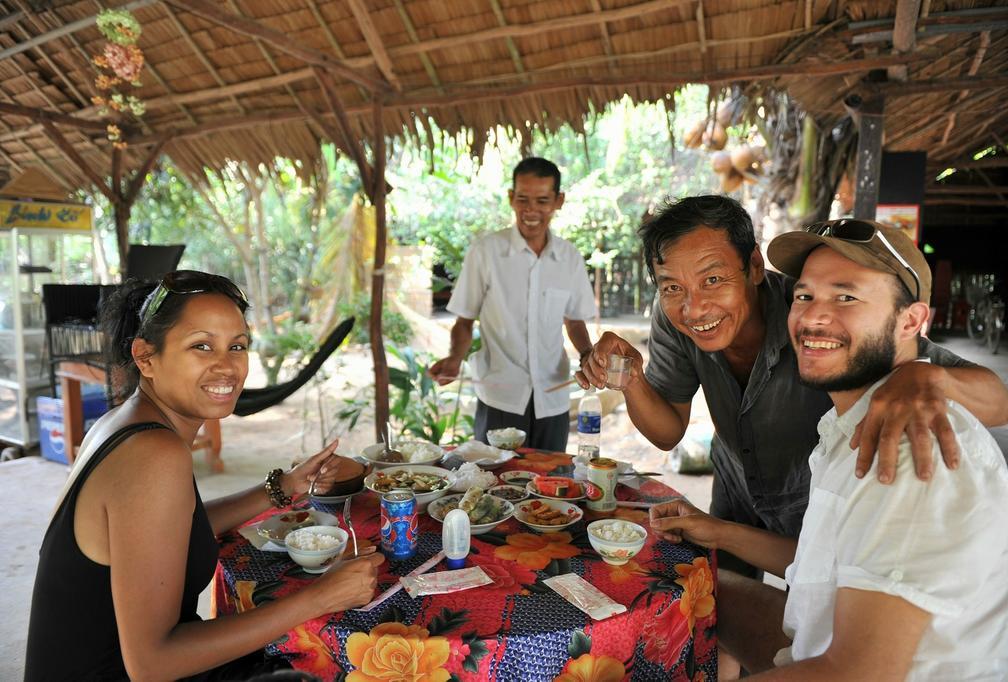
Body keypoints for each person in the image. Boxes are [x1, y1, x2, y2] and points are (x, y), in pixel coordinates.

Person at [649, 221, 1008, 679]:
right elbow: (822, 565)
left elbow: (852, 674)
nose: (813, 318)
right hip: (818, 640)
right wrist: (716, 531)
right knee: (692, 587)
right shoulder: (844, 427)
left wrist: (933, 376)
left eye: (846, 297)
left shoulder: (911, 446)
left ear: (910, 322)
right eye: (804, 296)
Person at [577, 196, 1008, 562]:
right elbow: (668, 430)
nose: (694, 308)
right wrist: (632, 379)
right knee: (723, 598)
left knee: (816, 610)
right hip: (737, 486)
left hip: (819, 497)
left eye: (713, 279)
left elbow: (999, 401)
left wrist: (925, 377)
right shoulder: (673, 317)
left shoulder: (815, 321)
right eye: (672, 287)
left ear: (753, 267)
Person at [25, 271, 384, 681]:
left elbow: (167, 532)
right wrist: (321, 596)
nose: (227, 366)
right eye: (201, 346)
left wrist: (282, 488)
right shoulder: (152, 455)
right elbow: (153, 664)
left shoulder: (122, 423)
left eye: (237, 346)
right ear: (145, 357)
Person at [429, 157, 595, 451]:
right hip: (500, 396)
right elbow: (464, 320)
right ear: (511, 198)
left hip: (552, 398)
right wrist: (455, 358)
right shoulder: (486, 253)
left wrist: (588, 356)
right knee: (493, 485)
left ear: (558, 201)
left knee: (551, 482)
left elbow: (574, 321)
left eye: (542, 200)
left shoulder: (569, 258)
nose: (531, 210)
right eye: (523, 199)